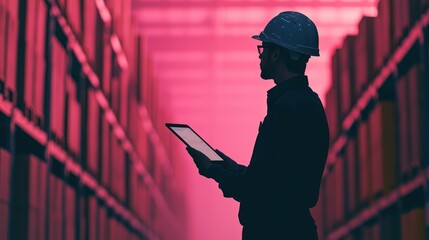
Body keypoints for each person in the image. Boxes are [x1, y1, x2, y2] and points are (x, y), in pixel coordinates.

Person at [187, 11, 329, 240]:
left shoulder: (288, 110)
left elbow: (261, 191)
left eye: (263, 49)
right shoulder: (307, 103)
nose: (260, 57)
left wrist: (214, 170)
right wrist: (228, 167)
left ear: (276, 53)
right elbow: (271, 179)